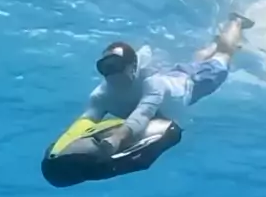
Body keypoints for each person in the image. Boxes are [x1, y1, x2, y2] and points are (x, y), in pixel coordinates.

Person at [82, 11, 254, 158]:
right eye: (105, 68)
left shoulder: (153, 84)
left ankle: (236, 21)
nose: (112, 74)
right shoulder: (101, 95)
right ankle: (216, 42)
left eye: (116, 66)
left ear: (133, 67)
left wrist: (117, 138)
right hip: (175, 77)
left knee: (224, 55)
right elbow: (87, 119)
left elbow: (143, 113)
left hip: (194, 83)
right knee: (196, 63)